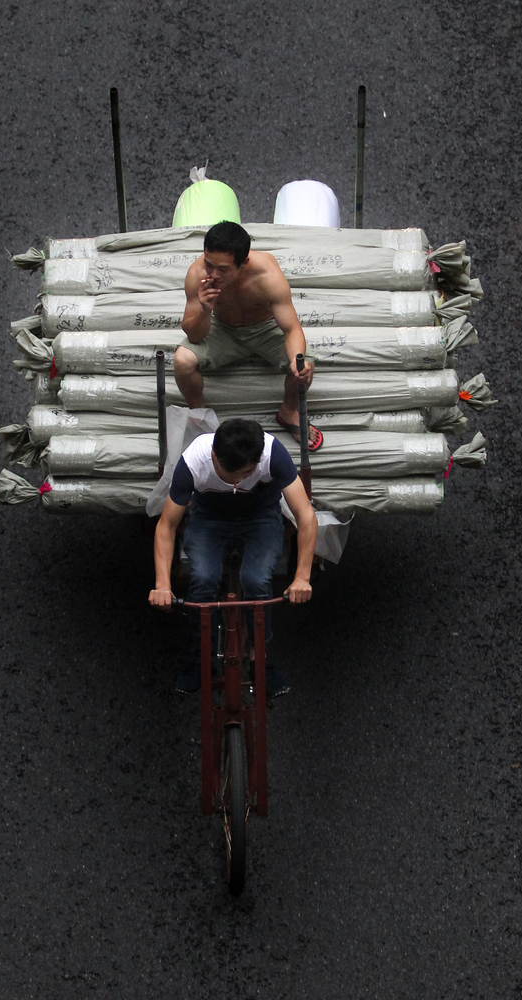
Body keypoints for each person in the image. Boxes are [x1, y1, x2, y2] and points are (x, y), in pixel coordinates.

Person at [148, 418, 318, 696]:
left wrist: (302, 577)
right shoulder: (193, 461)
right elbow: (166, 526)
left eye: (246, 473)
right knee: (202, 579)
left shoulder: (273, 453)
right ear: (214, 455)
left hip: (260, 517)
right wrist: (163, 584)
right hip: (209, 519)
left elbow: (306, 516)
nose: (238, 481)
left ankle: (258, 657)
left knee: (256, 581)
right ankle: (200, 658)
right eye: (230, 475)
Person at [173, 221, 324, 451]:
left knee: (304, 364)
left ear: (243, 262)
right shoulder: (197, 274)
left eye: (223, 269)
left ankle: (288, 410)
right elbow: (194, 335)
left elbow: (291, 328)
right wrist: (205, 309)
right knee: (182, 361)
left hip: (264, 329)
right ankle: (199, 413)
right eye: (209, 264)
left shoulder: (267, 275)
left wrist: (297, 360)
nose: (213, 274)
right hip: (222, 330)